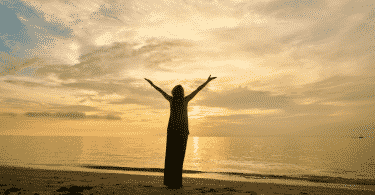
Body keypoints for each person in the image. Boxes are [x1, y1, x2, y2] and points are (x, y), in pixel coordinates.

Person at [145, 75, 217, 189]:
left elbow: (160, 91)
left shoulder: (171, 99)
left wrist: (152, 84)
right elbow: (198, 89)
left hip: (173, 130)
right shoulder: (185, 100)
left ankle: (170, 182)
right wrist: (207, 81)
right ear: (182, 92)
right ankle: (176, 183)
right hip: (182, 130)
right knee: (179, 157)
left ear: (174, 92)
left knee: (171, 156)